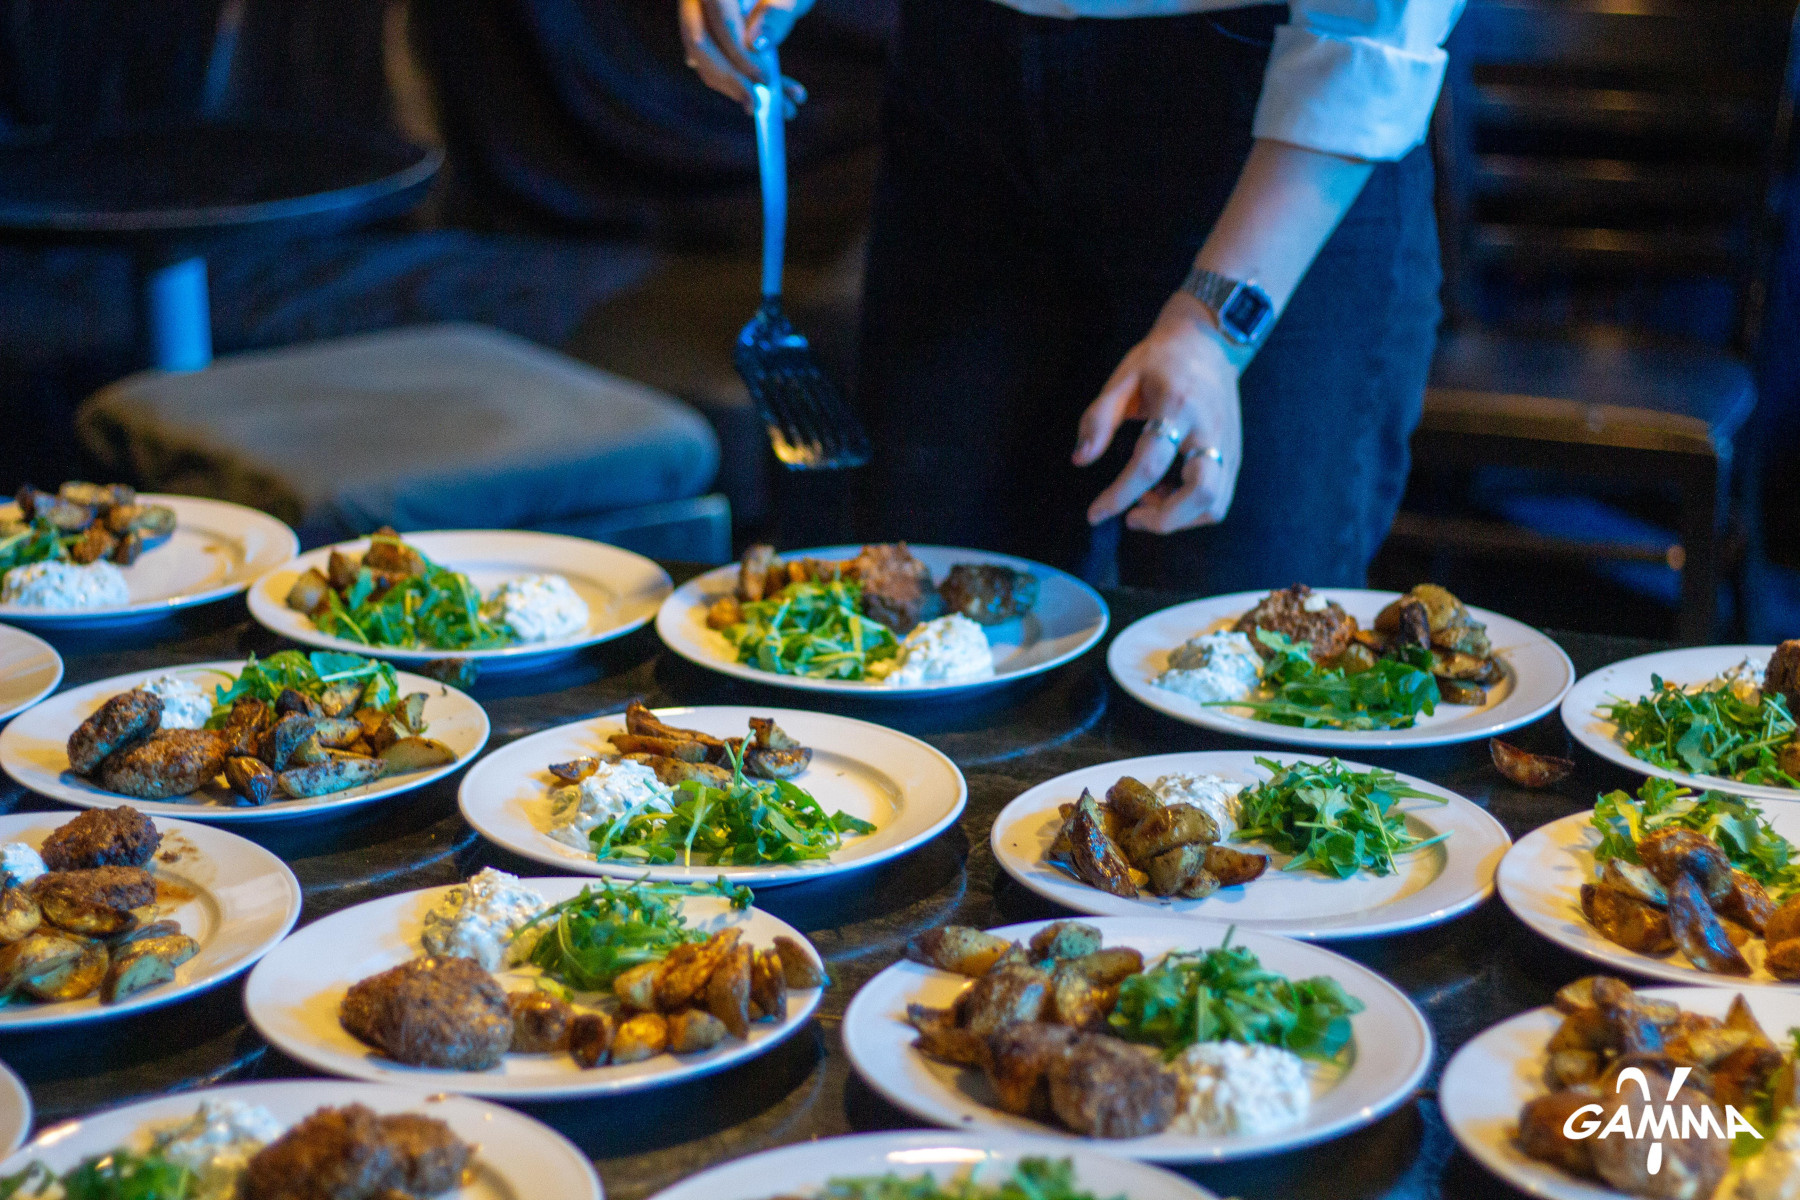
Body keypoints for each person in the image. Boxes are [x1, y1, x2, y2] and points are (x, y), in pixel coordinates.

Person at [681, 0, 1461, 589]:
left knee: (1241, 652)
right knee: (929, 630)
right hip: (961, 71)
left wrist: (1212, 328)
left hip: (1278, 113)